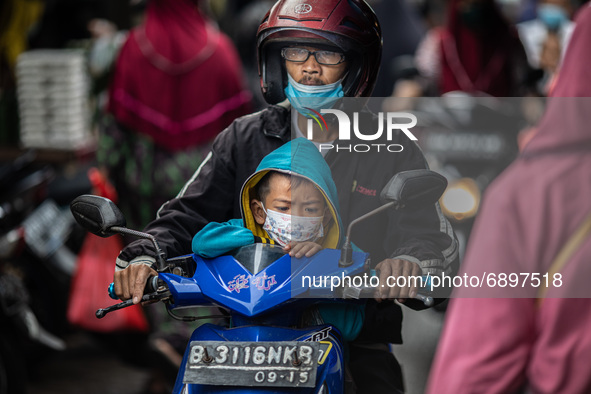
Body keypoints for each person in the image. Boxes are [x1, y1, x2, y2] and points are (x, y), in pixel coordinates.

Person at [113, 1, 459, 392]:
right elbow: (186, 213)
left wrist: (408, 262)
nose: (310, 67)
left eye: (328, 52)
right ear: (279, 61)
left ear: (357, 64)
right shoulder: (243, 138)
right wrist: (143, 255)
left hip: (353, 337)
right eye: (296, 51)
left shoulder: (392, 147)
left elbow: (432, 238)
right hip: (246, 335)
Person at [426, 4, 591, 393]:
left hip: (499, 144)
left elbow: (476, 370)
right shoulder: (437, 47)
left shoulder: (536, 191)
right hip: (454, 141)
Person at [192, 138, 365, 345]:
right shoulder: (242, 231)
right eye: (283, 208)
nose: (295, 218)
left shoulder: (341, 249)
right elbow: (202, 243)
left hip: (315, 350)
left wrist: (324, 259)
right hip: (244, 343)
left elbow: (353, 319)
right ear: (259, 212)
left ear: (326, 216)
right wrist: (253, 238)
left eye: (309, 209)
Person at [98, 0, 252, 230]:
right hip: (205, 186)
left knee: (147, 253)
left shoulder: (133, 47)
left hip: (145, 188)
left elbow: (114, 128)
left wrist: (103, 171)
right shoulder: (220, 49)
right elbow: (243, 128)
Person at [414, 0, 530, 96]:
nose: (475, 9)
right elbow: (423, 80)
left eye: (479, 4)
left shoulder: (509, 41)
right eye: (468, 5)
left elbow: (524, 82)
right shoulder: (440, 43)